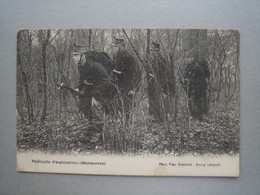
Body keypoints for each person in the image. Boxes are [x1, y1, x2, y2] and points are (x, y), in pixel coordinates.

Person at [73, 45, 115, 130]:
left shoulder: (95, 66)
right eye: (73, 55)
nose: (73, 57)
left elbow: (106, 81)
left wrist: (95, 96)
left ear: (83, 56)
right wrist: (78, 87)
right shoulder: (80, 66)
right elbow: (82, 78)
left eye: (76, 55)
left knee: (95, 107)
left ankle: (100, 131)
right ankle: (93, 125)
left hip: (103, 89)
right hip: (92, 89)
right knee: (82, 106)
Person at [112, 38, 141, 121]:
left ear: (121, 47)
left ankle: (128, 125)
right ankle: (121, 124)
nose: (114, 49)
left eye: (116, 47)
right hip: (119, 84)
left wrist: (134, 88)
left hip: (129, 85)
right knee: (117, 104)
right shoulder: (116, 56)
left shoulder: (129, 56)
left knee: (127, 106)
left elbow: (137, 73)